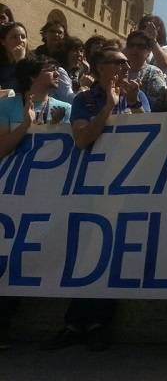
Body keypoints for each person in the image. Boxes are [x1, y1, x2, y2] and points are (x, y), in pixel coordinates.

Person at [44, 45, 149, 352]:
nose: (123, 67)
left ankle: (100, 325)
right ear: (100, 67)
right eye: (116, 62)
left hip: (123, 188)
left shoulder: (137, 96)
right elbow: (82, 138)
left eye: (126, 63)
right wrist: (109, 107)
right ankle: (74, 323)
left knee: (110, 256)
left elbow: (149, 138)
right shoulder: (84, 99)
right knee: (85, 254)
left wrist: (131, 103)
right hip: (89, 187)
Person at [0, 55, 71, 350]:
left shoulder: (64, 109)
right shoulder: (7, 106)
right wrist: (25, 127)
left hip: (47, 195)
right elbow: (2, 148)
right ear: (32, 76)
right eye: (49, 69)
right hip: (10, 196)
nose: (56, 73)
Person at [124, 30, 167, 112]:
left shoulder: (154, 73)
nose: (135, 49)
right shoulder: (119, 71)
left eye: (141, 46)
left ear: (149, 51)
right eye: (131, 45)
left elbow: (157, 106)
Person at [0, 22, 29, 91]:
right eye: (14, 37)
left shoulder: (36, 64)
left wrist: (21, 60)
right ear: (3, 41)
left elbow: (29, 87)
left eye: (23, 37)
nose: (20, 40)